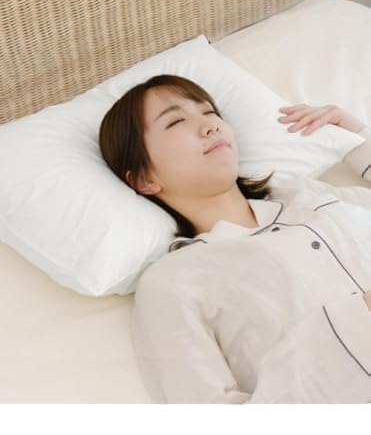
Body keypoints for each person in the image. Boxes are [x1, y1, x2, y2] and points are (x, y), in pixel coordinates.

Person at [99, 74, 371, 404]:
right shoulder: (173, 280)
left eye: (210, 112)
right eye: (175, 122)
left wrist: (355, 136)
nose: (210, 126)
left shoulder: (306, 196)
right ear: (144, 179)